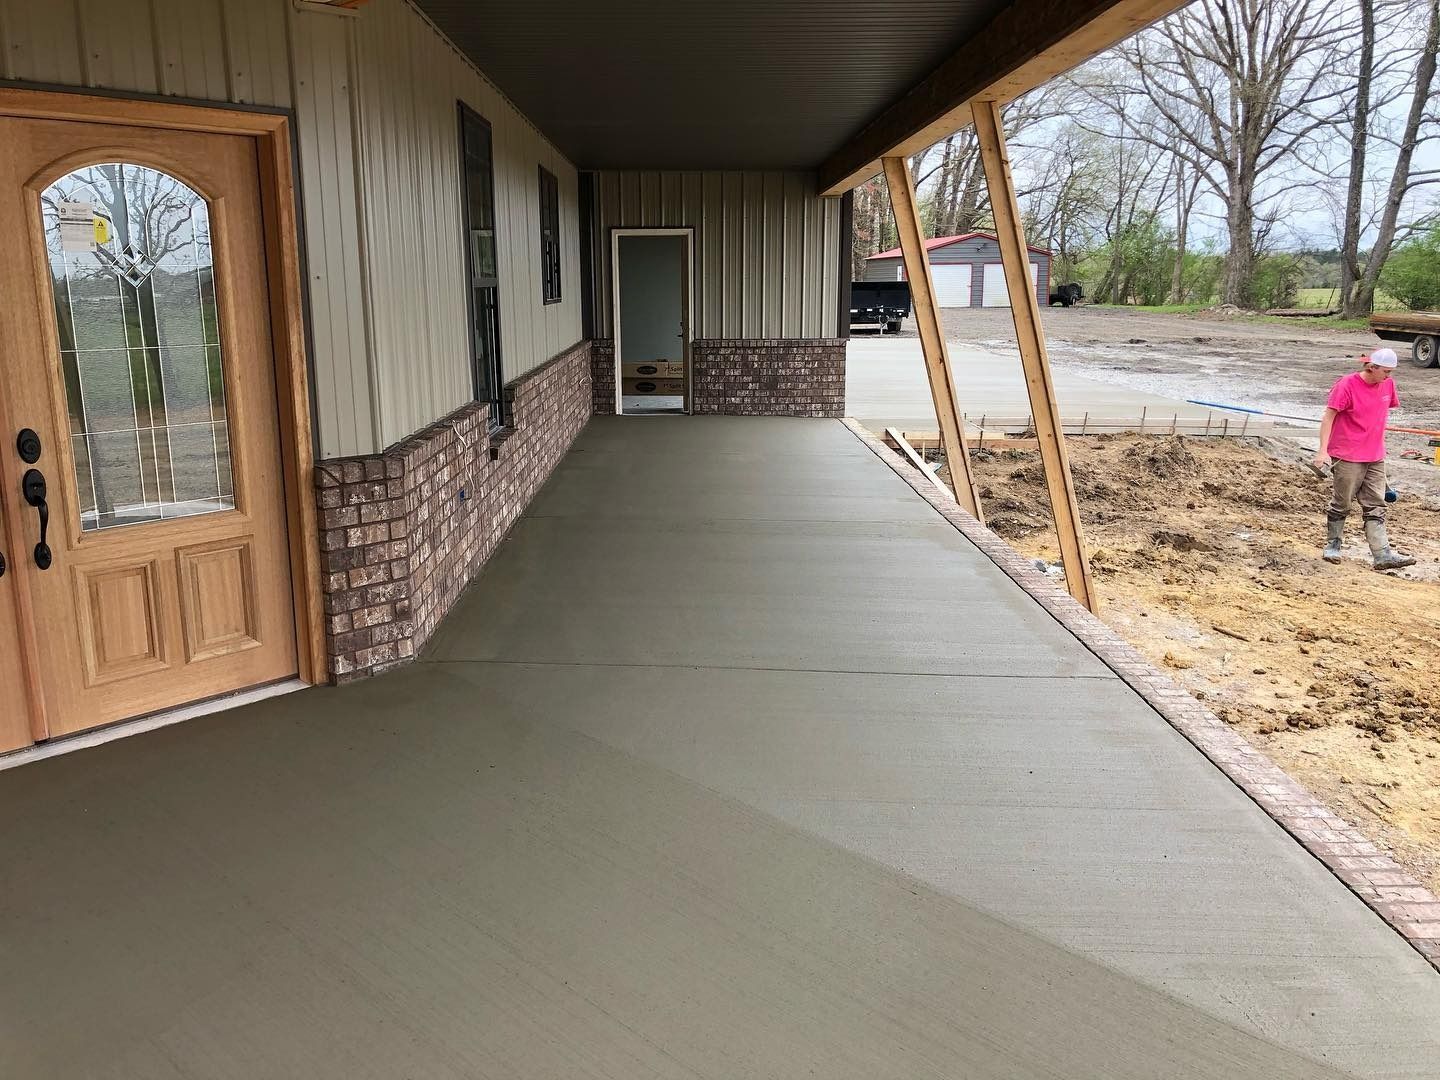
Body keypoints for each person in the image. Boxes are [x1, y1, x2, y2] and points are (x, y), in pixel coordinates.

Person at [1313, 347, 1415, 570]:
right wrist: (1323, 450)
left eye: (1391, 372)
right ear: (1371, 367)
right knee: (1342, 502)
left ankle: (1382, 554)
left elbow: (1377, 414)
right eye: (1385, 371)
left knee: (1376, 504)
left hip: (1375, 455)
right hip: (1347, 454)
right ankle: (1333, 545)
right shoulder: (1346, 385)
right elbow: (1329, 417)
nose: (1389, 376)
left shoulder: (1387, 385)